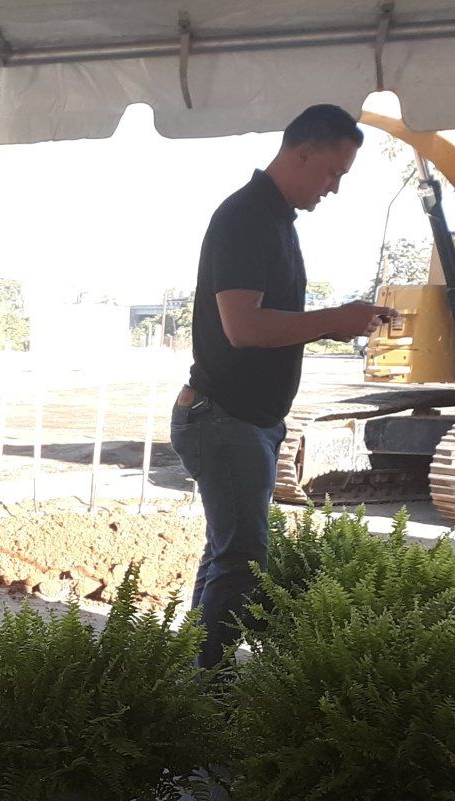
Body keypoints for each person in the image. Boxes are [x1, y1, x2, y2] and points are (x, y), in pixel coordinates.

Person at [171, 103, 395, 667]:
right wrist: (331, 318)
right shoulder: (248, 218)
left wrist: (335, 326)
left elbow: (265, 325)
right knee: (241, 560)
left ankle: (190, 686)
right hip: (225, 418)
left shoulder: (271, 221)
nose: (334, 188)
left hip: (242, 421)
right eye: (332, 172)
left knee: (228, 555)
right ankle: (207, 694)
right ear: (302, 152)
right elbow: (243, 328)